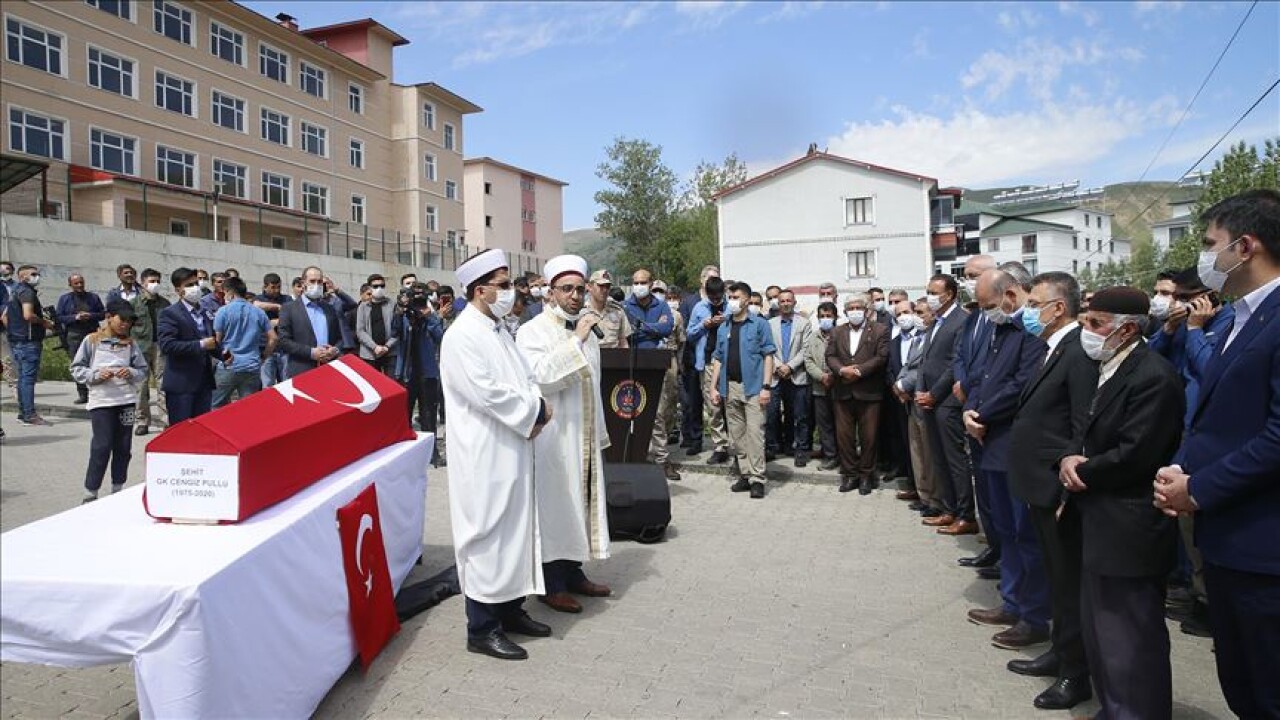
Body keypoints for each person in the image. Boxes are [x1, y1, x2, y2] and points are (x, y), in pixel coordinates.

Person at [1154, 189, 1280, 719]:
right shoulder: (1236, 317)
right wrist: (1184, 465)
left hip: (1263, 547)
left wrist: (1199, 488)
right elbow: (1220, 414)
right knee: (1242, 681)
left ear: (1245, 246)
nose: (1206, 258)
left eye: (1211, 244)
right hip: (1229, 538)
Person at [1059, 286, 1184, 720]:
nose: (1086, 332)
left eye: (1095, 324)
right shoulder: (1111, 365)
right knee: (1103, 635)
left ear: (1127, 328)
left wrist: (1081, 468)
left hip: (1129, 524)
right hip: (1100, 522)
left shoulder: (1153, 376)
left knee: (1132, 639)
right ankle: (1115, 708)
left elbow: (1136, 454)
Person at [441, 249, 553, 661]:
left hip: (513, 446)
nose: (510, 292)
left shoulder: (498, 328)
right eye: (503, 285)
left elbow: (524, 376)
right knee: (486, 533)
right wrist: (535, 411)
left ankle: (510, 610)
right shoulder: (462, 335)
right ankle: (482, 627)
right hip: (485, 451)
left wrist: (536, 403)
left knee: (515, 530)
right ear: (479, 289)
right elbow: (487, 392)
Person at [1004, 271, 1097, 710]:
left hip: (1055, 486)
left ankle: (1076, 674)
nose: (1027, 311)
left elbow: (1082, 423)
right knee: (1059, 580)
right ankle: (1061, 651)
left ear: (1058, 308)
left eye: (1033, 302)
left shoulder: (1078, 351)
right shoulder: (1053, 347)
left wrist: (1065, 489)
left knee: (1068, 580)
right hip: (1038, 483)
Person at [516, 255, 614, 614]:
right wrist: (576, 340)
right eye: (566, 289)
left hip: (583, 433)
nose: (574, 296)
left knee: (580, 503)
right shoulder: (533, 331)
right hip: (554, 437)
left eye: (579, 288)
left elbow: (595, 383)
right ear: (551, 292)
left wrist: (598, 431)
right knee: (556, 506)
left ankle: (573, 573)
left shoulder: (587, 329)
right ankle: (551, 583)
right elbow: (540, 376)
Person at [961, 270, 1051, 652]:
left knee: (1025, 533)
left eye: (989, 306)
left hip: (1014, 442)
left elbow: (1020, 385)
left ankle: (1034, 615)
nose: (987, 314)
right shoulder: (1000, 330)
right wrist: (970, 409)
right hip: (990, 443)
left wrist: (982, 415)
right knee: (1006, 530)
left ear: (1010, 295)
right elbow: (982, 377)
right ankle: (1012, 602)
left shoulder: (1031, 333)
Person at [70, 300, 149, 503]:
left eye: (129, 321)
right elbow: (76, 368)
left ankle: (117, 489)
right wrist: (95, 375)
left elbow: (142, 370)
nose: (125, 324)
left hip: (126, 401)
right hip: (101, 402)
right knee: (102, 445)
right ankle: (91, 491)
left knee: (123, 447)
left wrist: (130, 372)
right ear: (109, 317)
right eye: (122, 319)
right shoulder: (92, 340)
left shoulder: (131, 343)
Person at [709, 282, 776, 499]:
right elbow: (718, 358)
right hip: (730, 388)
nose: (732, 301)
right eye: (730, 297)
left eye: (735, 297)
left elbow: (768, 355)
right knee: (737, 436)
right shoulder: (724, 327)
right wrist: (714, 387)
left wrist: (766, 387)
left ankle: (758, 478)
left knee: (755, 434)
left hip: (754, 387)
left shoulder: (759, 324)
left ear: (747, 299)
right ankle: (745, 474)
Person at [917, 274, 972, 534]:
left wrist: (935, 394)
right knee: (938, 457)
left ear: (948, 294)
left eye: (933, 291)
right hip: (929, 400)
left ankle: (965, 514)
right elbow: (926, 360)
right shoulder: (936, 321)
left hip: (947, 401)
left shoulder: (961, 320)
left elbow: (954, 363)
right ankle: (948, 509)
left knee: (954, 459)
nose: (929, 296)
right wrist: (921, 391)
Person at [952, 255, 1000, 556]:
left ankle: (1001, 550)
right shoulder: (973, 317)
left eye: (973, 275)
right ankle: (993, 546)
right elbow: (960, 355)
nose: (968, 281)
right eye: (966, 275)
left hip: (986, 407)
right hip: (967, 401)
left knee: (995, 488)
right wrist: (960, 381)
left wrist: (966, 385)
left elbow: (990, 364)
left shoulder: (1001, 318)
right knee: (983, 484)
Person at [825, 294, 889, 494]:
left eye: (858, 308)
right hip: (842, 391)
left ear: (866, 310)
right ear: (845, 312)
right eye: (850, 308)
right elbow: (830, 355)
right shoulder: (837, 331)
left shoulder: (880, 330)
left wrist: (859, 371)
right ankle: (850, 475)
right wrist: (843, 370)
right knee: (844, 438)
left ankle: (866, 476)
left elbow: (881, 357)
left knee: (869, 437)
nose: (854, 311)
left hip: (869, 392)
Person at [895, 299, 943, 515]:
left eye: (922, 313)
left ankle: (935, 500)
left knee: (929, 454)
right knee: (917, 453)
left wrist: (904, 384)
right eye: (916, 312)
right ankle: (924, 495)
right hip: (911, 402)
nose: (917, 317)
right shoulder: (918, 338)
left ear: (933, 315)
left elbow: (925, 368)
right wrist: (898, 384)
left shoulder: (935, 338)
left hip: (926, 400)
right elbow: (908, 365)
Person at [157, 267, 218, 424]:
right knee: (181, 433)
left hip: (203, 383)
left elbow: (211, 342)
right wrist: (200, 344)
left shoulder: (205, 312)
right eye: (189, 285)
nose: (195, 288)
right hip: (181, 384)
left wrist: (225, 355)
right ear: (178, 290)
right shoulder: (170, 313)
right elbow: (167, 345)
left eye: (196, 283)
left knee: (201, 429)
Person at [396, 282, 446, 467]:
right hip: (408, 371)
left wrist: (430, 316)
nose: (417, 299)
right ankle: (406, 455)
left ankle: (432, 453)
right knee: (405, 414)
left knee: (429, 415)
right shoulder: (404, 314)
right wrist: (402, 310)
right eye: (414, 295)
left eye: (420, 295)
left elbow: (440, 337)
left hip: (427, 371)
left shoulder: (430, 315)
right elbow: (395, 331)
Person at [687, 276, 731, 464]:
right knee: (713, 406)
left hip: (729, 361)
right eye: (712, 297)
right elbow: (689, 334)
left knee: (732, 404)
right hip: (707, 361)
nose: (715, 300)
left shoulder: (731, 307)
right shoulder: (699, 308)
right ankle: (720, 445)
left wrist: (725, 322)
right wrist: (704, 325)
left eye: (718, 297)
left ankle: (736, 444)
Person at [767, 289, 813, 467]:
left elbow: (806, 349)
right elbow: (768, 347)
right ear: (778, 304)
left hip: (797, 375)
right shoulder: (770, 324)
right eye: (782, 301)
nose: (785, 303)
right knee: (771, 414)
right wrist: (779, 366)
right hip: (775, 375)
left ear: (794, 302)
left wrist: (790, 366)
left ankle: (801, 448)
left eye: (788, 300)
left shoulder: (804, 323)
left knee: (800, 415)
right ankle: (772, 447)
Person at [212, 276, 274, 408]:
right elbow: (273, 338)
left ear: (230, 293)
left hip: (228, 364)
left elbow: (217, 341)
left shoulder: (223, 311)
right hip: (251, 365)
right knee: (249, 408)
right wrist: (264, 356)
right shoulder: (258, 312)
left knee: (216, 406)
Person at [5, 265, 56, 426]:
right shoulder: (26, 292)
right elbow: (28, 315)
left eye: (37, 273)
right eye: (33, 274)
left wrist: (14, 330)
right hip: (28, 342)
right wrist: (45, 323)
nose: (37, 276)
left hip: (16, 340)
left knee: (22, 379)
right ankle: (30, 415)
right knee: (28, 379)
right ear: (23, 277)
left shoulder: (15, 291)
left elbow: (4, 316)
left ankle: (23, 413)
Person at [679, 266, 719, 453]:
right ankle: (695, 440)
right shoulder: (689, 302)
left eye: (716, 279)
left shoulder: (723, 302)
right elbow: (685, 329)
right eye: (710, 279)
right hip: (695, 358)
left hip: (716, 360)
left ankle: (721, 444)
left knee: (716, 403)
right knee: (694, 402)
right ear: (701, 281)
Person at [277, 266, 342, 378]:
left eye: (320, 282)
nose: (316, 285)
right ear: (303, 283)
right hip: (302, 371)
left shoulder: (329, 309)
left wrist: (334, 350)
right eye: (312, 281)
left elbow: (339, 338)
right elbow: (284, 341)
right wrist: (311, 353)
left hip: (329, 368)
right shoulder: (289, 308)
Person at [649, 280, 685, 481]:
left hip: (669, 359)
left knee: (670, 407)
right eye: (655, 291)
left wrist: (679, 366)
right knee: (655, 412)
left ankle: (662, 446)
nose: (658, 294)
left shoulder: (676, 316)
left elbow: (681, 343)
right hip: (649, 360)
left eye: (661, 291)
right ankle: (659, 456)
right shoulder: (645, 314)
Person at [885, 299, 919, 500]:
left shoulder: (923, 338)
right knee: (905, 441)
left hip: (920, 396)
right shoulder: (894, 342)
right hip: (899, 398)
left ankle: (923, 488)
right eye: (898, 314)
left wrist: (910, 388)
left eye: (906, 312)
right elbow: (889, 369)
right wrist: (897, 389)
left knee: (920, 445)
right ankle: (912, 482)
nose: (903, 317)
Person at [130, 268, 170, 436]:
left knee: (164, 385)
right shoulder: (134, 304)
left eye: (157, 281)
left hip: (160, 347)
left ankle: (166, 421)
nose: (155, 284)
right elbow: (126, 326)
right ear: (143, 282)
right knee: (141, 386)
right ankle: (142, 421)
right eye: (152, 281)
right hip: (140, 347)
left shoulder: (165, 304)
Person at [56, 273, 107, 404]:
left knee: (95, 362)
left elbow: (102, 314)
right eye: (76, 283)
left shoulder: (93, 297)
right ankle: (82, 393)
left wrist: (90, 315)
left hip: (92, 333)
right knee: (77, 363)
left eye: (81, 283)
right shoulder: (64, 299)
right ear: (70, 285)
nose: (79, 285)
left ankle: (95, 391)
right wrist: (75, 317)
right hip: (74, 334)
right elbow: (59, 317)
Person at [805, 301, 840, 471]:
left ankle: (844, 454)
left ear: (835, 317)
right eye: (822, 316)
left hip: (839, 387)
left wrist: (834, 376)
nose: (825, 319)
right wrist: (821, 376)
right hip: (819, 388)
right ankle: (830, 455)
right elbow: (808, 360)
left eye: (829, 316)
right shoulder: (813, 337)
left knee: (841, 423)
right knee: (824, 424)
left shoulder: (842, 334)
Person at [356, 274, 400, 376]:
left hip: (390, 353)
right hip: (369, 354)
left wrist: (387, 346)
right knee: (372, 385)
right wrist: (374, 347)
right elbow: (360, 331)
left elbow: (397, 328)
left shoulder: (392, 304)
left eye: (382, 286)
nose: (379, 289)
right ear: (370, 288)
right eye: (375, 286)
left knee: (391, 385)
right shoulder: (363, 307)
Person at [256, 273, 291, 388]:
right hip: (266, 349)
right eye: (273, 287)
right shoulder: (259, 299)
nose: (276, 290)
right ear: (265, 287)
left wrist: (276, 321)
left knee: (286, 384)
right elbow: (255, 305)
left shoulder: (287, 299)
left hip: (284, 348)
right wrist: (276, 307)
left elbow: (291, 316)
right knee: (267, 384)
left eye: (278, 287)